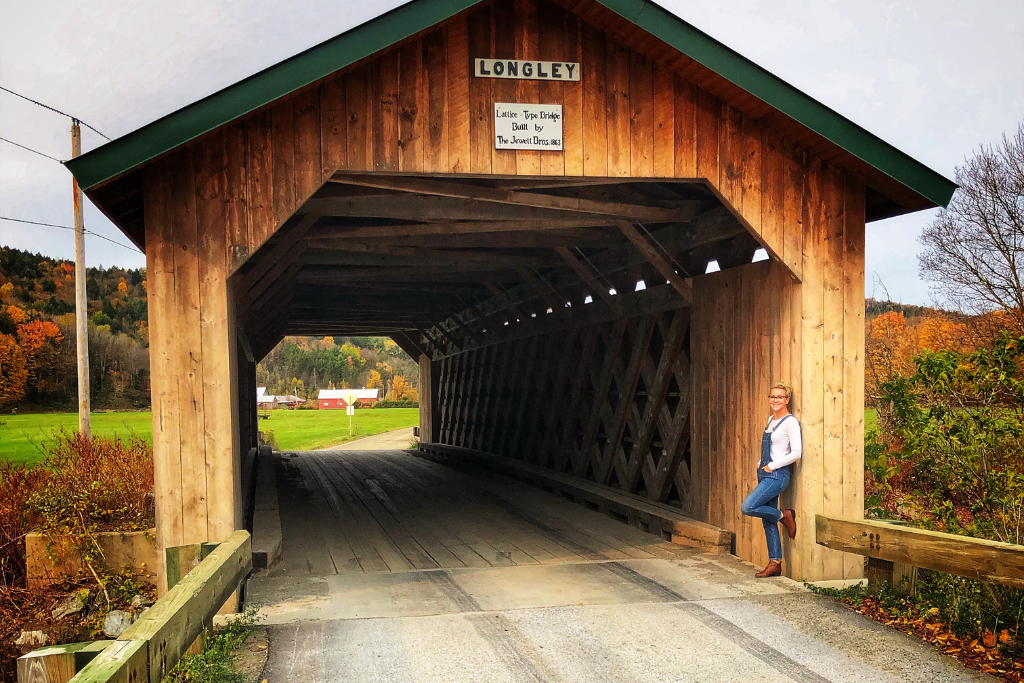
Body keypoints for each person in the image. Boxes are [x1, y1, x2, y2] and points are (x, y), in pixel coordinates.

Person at [741, 381, 801, 578]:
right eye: (773, 396)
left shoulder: (790, 422)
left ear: (787, 400)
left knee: (748, 507)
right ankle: (775, 562)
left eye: (780, 397)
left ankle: (784, 515)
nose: (776, 400)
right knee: (768, 521)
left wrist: (772, 466)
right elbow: (774, 448)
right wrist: (761, 462)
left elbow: (796, 453)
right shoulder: (770, 420)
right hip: (765, 473)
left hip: (777, 475)